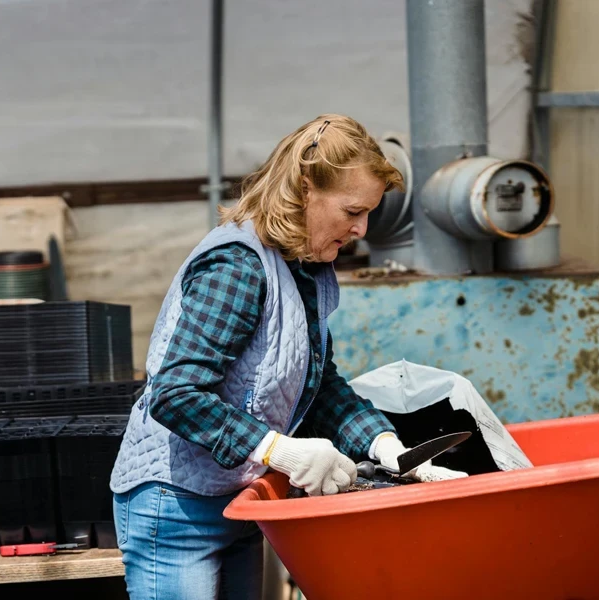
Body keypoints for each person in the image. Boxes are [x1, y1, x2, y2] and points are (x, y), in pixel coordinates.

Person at [109, 114, 467, 600]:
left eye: (369, 214)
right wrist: (283, 450)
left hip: (241, 500)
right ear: (304, 189)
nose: (361, 229)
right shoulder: (237, 266)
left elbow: (320, 385)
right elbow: (175, 395)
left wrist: (388, 448)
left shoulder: (306, 270)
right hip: (177, 511)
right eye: (352, 211)